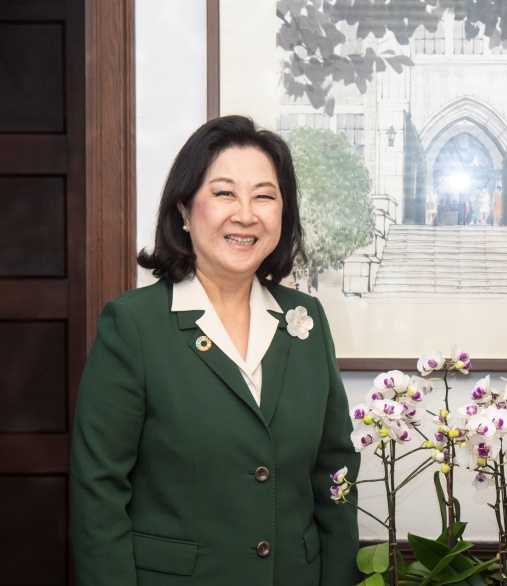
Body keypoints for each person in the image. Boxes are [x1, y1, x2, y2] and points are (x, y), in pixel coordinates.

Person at [70, 115, 360, 585]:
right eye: (224, 193)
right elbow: (97, 494)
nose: (245, 214)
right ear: (184, 210)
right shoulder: (133, 326)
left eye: (264, 196)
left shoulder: (306, 321)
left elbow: (335, 474)